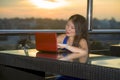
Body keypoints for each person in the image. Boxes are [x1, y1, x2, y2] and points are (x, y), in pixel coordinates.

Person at [56, 14, 89, 80]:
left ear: (79, 29)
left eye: (72, 27)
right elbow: (50, 45)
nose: (68, 29)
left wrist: (66, 46)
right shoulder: (62, 37)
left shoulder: (82, 41)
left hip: (79, 75)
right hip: (65, 73)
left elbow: (84, 52)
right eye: (67, 25)